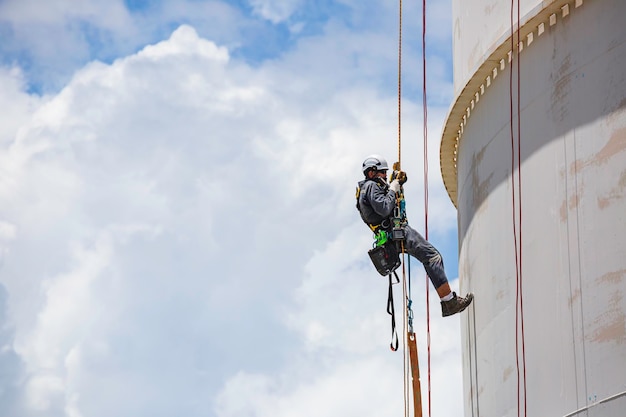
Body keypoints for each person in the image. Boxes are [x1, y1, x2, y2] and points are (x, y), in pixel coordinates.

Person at [356, 154, 473, 317]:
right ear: (371, 173)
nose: (383, 176)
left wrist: (396, 185)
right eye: (382, 172)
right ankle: (449, 302)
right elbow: (384, 208)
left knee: (431, 258)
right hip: (397, 231)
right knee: (432, 257)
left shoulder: (366, 189)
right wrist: (392, 188)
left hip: (391, 236)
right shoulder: (370, 186)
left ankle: (448, 301)